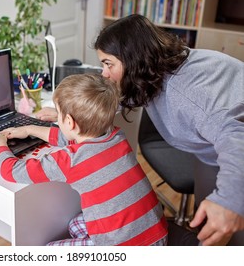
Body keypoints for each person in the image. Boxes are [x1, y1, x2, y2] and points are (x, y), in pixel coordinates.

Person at [37, 14, 244, 246]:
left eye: (108, 64)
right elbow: (129, 94)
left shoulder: (188, 93)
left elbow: (237, 138)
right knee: (211, 227)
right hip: (211, 149)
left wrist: (229, 200)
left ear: (133, 59)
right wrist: (73, 116)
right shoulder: (155, 67)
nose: (104, 73)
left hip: (236, 150)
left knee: (232, 233)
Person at [0, 73, 168, 246]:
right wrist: (29, 129)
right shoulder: (116, 136)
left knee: (48, 249)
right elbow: (71, 137)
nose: (57, 119)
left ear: (69, 122)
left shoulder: (70, 161)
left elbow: (12, 171)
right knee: (75, 223)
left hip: (123, 248)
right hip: (156, 233)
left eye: (59, 115)